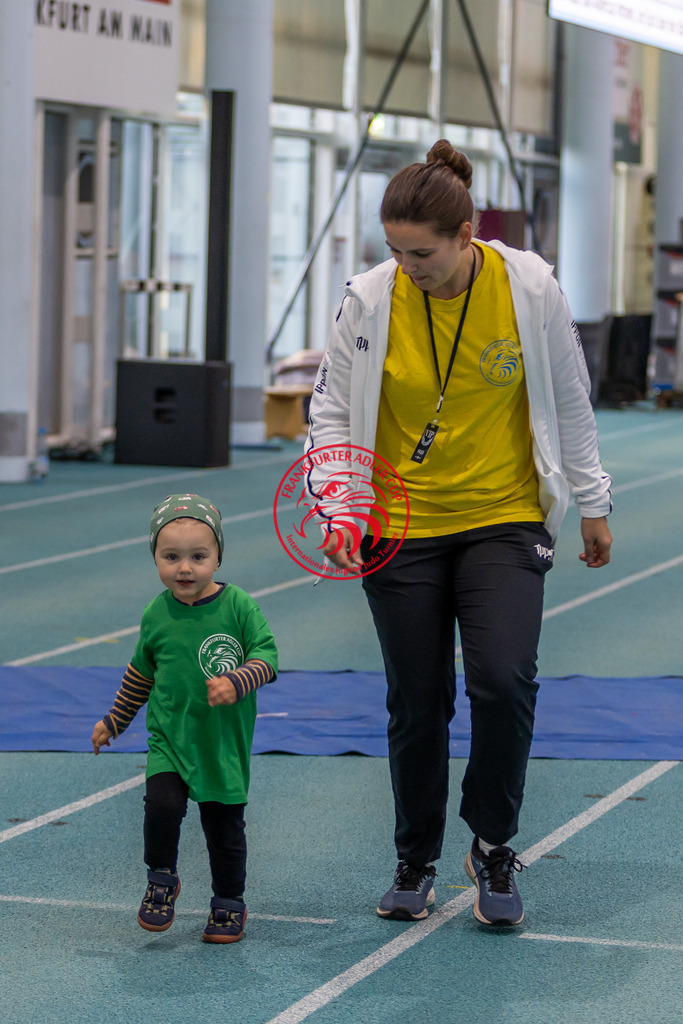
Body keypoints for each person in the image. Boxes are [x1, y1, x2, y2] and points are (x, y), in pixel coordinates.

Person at [304, 140, 612, 926]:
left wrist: (592, 499)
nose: (407, 267)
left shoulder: (528, 288)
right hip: (396, 525)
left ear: (466, 234)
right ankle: (415, 857)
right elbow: (330, 413)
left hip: (503, 516)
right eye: (394, 251)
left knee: (503, 682)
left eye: (422, 253)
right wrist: (340, 507)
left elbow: (569, 398)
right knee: (418, 700)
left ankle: (493, 844)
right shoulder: (367, 300)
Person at [91, 493, 278, 944]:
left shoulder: (239, 606)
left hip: (221, 745)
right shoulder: (155, 613)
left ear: (218, 557)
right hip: (170, 740)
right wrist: (115, 720)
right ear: (155, 557)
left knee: (223, 829)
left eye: (198, 556)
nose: (185, 568)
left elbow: (268, 658)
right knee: (161, 808)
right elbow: (141, 674)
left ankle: (228, 901)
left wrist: (238, 680)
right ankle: (161, 878)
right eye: (171, 557)